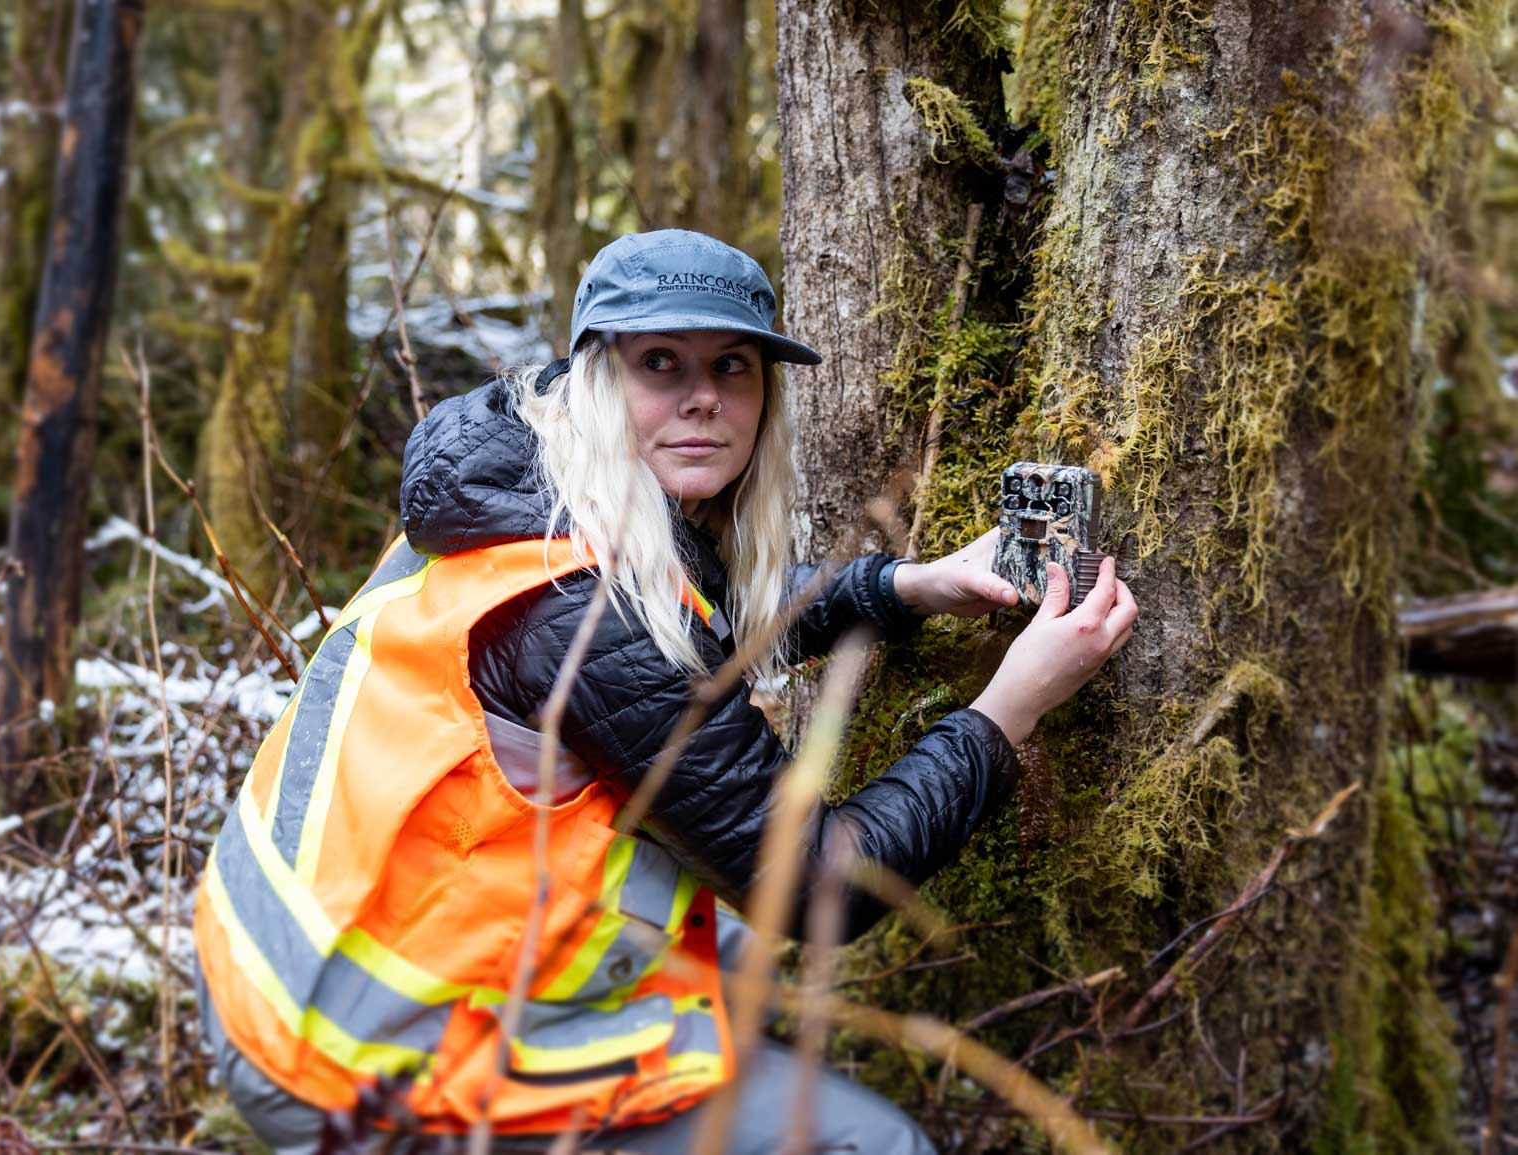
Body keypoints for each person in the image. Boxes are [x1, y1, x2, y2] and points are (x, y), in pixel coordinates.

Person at [192, 229, 1137, 1153]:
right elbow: (813, 886)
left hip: (302, 972)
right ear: (598, 378)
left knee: (739, 983)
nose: (702, 399)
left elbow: (696, 629)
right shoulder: (577, 607)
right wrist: (1008, 707)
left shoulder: (521, 490)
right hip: (357, 1057)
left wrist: (897, 586)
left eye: (733, 367)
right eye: (659, 363)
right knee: (873, 1139)